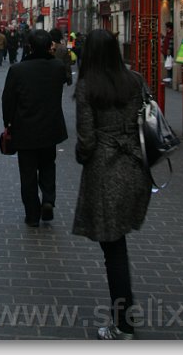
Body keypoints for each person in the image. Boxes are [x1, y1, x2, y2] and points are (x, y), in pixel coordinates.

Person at [72, 29, 152, 340]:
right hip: (135, 167)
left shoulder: (87, 85)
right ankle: (124, 318)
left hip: (105, 171)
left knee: (113, 248)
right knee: (118, 242)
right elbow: (147, 118)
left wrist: (83, 156)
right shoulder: (135, 80)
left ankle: (124, 324)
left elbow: (86, 138)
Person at [1, 29, 68, 227]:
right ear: (50, 46)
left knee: (27, 172)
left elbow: (8, 99)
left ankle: (32, 214)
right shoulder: (57, 67)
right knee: (48, 165)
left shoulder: (18, 70)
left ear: (29, 46)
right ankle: (48, 199)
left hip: (25, 128)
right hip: (51, 126)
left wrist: (8, 123)